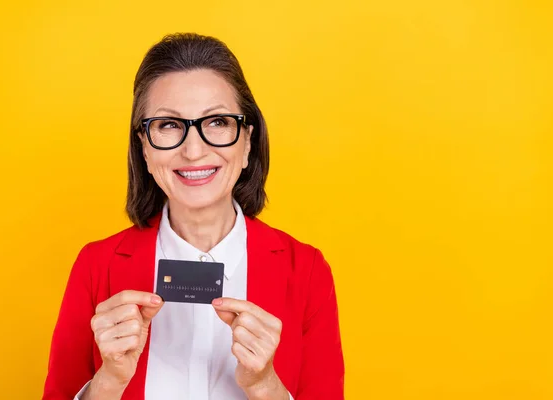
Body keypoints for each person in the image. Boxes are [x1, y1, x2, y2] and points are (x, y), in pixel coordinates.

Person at [42, 33, 344, 400]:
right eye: (169, 125)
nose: (194, 150)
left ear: (247, 140)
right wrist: (109, 380)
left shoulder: (306, 270)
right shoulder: (96, 266)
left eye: (217, 121)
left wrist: (265, 385)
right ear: (144, 148)